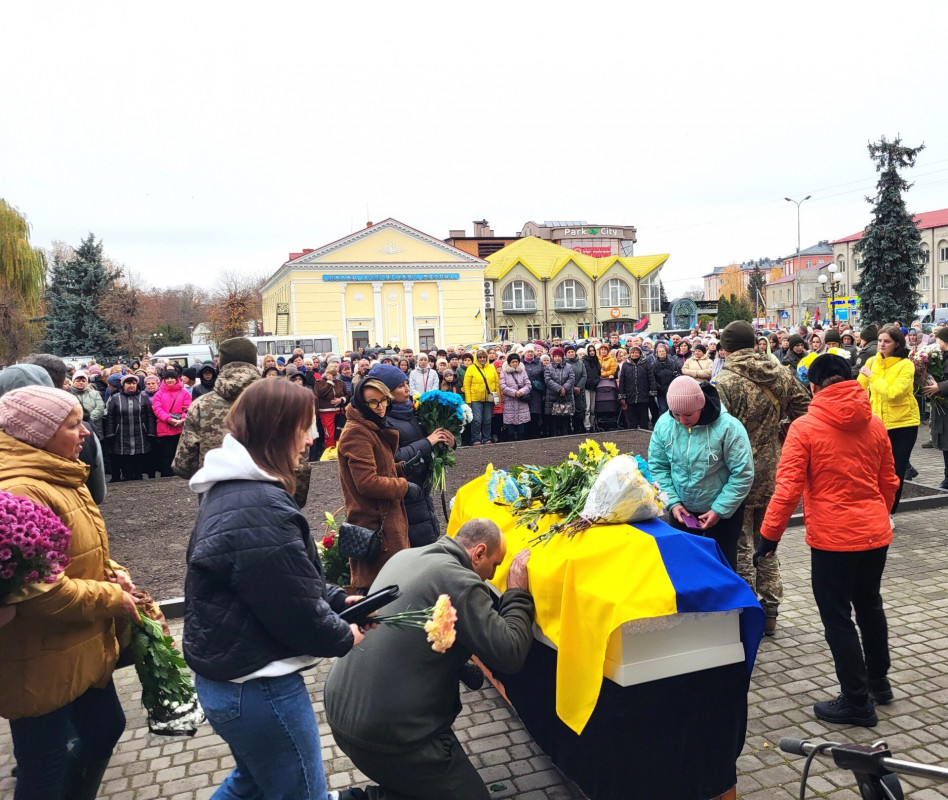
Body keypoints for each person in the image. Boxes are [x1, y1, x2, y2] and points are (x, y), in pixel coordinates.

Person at [183, 379, 369, 800]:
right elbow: (293, 611)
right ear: (278, 430)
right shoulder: (258, 505)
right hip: (258, 688)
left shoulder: (238, 491)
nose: (311, 439)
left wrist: (338, 599)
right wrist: (345, 634)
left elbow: (274, 579)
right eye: (304, 428)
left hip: (232, 680)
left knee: (250, 784)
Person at [325, 520, 534, 800]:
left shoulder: (405, 556)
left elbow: (409, 639)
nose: (492, 575)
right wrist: (517, 593)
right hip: (395, 735)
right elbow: (510, 653)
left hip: (342, 712)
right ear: (479, 553)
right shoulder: (460, 580)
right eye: (496, 565)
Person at [0, 385, 140, 800]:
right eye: (73, 425)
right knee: (42, 770)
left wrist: (114, 572)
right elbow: (41, 591)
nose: (85, 433)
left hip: (76, 645)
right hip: (38, 658)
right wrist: (113, 599)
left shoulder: (61, 471)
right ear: (37, 434)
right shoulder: (22, 489)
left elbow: (77, 551)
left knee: (105, 728)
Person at [757, 355, 899, 727]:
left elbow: (786, 490)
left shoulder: (804, 429)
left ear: (814, 387)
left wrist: (769, 537)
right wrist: (876, 516)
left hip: (834, 539)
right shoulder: (876, 424)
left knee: (837, 618)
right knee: (869, 604)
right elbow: (889, 481)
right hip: (874, 533)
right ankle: (878, 682)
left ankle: (856, 700)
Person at [714, 320, 810, 633]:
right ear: (755, 343)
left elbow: (715, 435)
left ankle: (746, 615)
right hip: (774, 472)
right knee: (766, 544)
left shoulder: (723, 382)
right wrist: (780, 431)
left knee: (740, 545)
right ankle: (770, 612)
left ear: (725, 348)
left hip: (735, 476)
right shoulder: (782, 373)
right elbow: (806, 413)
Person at [647, 376, 754, 569]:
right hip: (682, 512)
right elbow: (658, 467)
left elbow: (743, 473)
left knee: (721, 567)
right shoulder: (664, 424)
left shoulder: (729, 427)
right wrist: (672, 502)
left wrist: (719, 509)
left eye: (688, 414)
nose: (681, 420)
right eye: (676, 414)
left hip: (722, 513)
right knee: (685, 568)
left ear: (701, 405)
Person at [337, 376, 419, 591]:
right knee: (378, 592)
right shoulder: (357, 432)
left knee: (391, 586)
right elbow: (367, 483)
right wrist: (404, 486)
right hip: (374, 526)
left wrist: (402, 468)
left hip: (386, 520)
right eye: (373, 402)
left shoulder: (371, 426)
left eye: (383, 400)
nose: (380, 407)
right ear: (361, 403)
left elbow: (379, 469)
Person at [369, 364, 453, 548]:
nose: (407, 389)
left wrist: (447, 442)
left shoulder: (413, 412)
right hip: (403, 494)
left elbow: (431, 444)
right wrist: (428, 442)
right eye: (400, 386)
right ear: (386, 392)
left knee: (428, 538)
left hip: (421, 489)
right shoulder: (383, 421)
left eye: (406, 383)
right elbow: (393, 458)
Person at [857, 325, 919, 517]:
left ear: (897, 344)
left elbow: (894, 394)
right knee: (873, 470)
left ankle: (889, 513)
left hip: (903, 424)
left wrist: (872, 376)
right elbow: (858, 388)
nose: (882, 345)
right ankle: (874, 510)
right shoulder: (871, 361)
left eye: (887, 341)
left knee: (895, 471)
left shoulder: (905, 365)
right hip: (876, 424)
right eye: (880, 340)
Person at [104, 374, 156, 481]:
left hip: (140, 433)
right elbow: (110, 417)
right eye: (128, 383)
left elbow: (150, 416)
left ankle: (138, 478)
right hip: (122, 433)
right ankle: (127, 478)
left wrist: (151, 432)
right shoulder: (115, 398)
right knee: (125, 457)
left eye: (133, 383)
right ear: (123, 385)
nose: (131, 385)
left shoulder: (143, 397)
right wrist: (110, 433)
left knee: (138, 457)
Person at [151, 368, 191, 477]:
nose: (170, 380)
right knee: (166, 454)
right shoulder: (159, 394)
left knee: (180, 453)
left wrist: (182, 419)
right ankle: (166, 474)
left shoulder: (184, 393)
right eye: (167, 378)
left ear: (176, 379)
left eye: (172, 378)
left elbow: (188, 407)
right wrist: (169, 419)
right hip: (165, 427)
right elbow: (157, 409)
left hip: (180, 427)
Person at [463, 349, 499, 446]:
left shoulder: (491, 368)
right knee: (477, 420)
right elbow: (467, 385)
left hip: (489, 398)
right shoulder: (471, 368)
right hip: (475, 399)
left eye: (484, 357)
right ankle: (475, 439)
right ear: (476, 358)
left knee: (487, 419)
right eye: (480, 357)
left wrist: (497, 398)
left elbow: (496, 383)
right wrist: (468, 400)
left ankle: (486, 438)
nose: (482, 359)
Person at [315, 362, 349, 450]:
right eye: (331, 374)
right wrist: (329, 383)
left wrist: (341, 399)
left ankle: (340, 453)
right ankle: (330, 454)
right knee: (329, 435)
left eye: (335, 374)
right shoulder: (320, 382)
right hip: (326, 412)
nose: (333, 376)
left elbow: (347, 395)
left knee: (340, 434)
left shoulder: (341, 383)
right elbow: (320, 394)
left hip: (339, 411)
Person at [543, 347, 576, 437]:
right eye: (556, 356)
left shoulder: (569, 367)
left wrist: (564, 388)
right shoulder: (548, 368)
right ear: (553, 357)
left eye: (559, 356)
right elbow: (548, 380)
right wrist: (559, 389)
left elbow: (572, 378)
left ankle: (566, 434)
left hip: (566, 395)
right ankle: (555, 435)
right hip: (553, 396)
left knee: (565, 416)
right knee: (554, 417)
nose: (557, 358)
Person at [500, 352, 531, 441]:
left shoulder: (523, 371)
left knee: (521, 424)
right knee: (510, 425)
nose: (515, 363)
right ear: (509, 363)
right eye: (513, 362)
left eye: (516, 362)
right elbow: (503, 386)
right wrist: (514, 392)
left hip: (521, 401)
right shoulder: (504, 372)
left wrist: (521, 392)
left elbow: (528, 384)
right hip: (510, 402)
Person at [69, 370, 106, 440]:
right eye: (78, 381)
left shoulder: (95, 393)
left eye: (83, 381)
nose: (81, 383)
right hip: (76, 429)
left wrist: (89, 419)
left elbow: (100, 408)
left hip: (94, 427)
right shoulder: (69, 395)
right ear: (73, 382)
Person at [652, 341, 681, 416]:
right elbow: (652, 379)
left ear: (666, 352)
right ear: (657, 353)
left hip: (672, 390)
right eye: (660, 351)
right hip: (660, 391)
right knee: (663, 409)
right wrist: (659, 387)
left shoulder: (672, 362)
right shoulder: (653, 365)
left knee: (673, 409)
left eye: (663, 351)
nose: (661, 353)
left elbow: (677, 374)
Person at [565, 344, 587, 435]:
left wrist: (579, 387)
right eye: (568, 352)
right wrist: (572, 387)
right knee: (569, 411)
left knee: (580, 409)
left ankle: (579, 429)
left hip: (579, 391)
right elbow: (564, 377)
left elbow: (584, 375)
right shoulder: (564, 364)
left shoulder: (580, 363)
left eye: (572, 352)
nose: (571, 354)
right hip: (568, 391)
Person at [582, 343, 601, 431]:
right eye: (590, 351)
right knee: (587, 407)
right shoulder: (584, 361)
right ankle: (587, 425)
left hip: (594, 386)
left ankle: (592, 424)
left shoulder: (597, 360)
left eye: (593, 351)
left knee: (593, 408)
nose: (592, 352)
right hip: (586, 386)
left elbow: (598, 373)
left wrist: (597, 380)